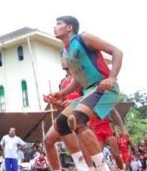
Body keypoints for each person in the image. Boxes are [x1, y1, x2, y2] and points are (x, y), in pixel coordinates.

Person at [47, 16, 123, 171]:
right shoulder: (67, 54)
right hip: (89, 91)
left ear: (69, 27)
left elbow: (117, 52)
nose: (55, 27)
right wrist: (61, 93)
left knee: (77, 119)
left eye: (59, 24)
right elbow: (77, 80)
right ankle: (82, 167)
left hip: (104, 88)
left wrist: (112, 78)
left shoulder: (84, 38)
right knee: (62, 123)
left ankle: (102, 168)